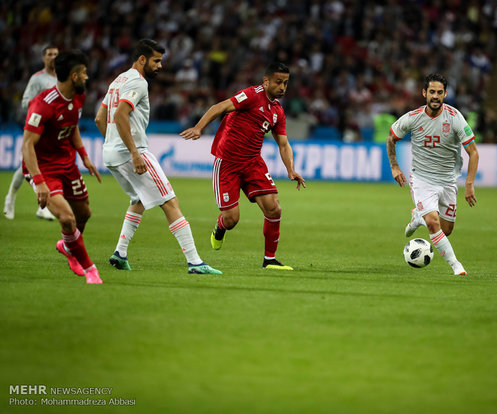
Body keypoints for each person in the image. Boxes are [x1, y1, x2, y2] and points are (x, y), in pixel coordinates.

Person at [94, 39, 221, 276]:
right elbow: (122, 114)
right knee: (170, 202)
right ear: (142, 59)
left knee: (139, 199)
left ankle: (120, 253)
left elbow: (100, 118)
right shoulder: (137, 82)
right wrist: (132, 152)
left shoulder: (117, 80)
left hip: (110, 153)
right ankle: (195, 262)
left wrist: (113, 143)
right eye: (156, 61)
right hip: (132, 152)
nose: (160, 66)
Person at [180, 62, 306, 270]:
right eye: (278, 82)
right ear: (265, 82)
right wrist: (199, 128)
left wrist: (290, 170)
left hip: (253, 162)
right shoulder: (251, 95)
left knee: (274, 208)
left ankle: (269, 260)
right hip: (228, 163)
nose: (282, 87)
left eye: (285, 83)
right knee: (232, 219)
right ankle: (220, 227)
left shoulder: (277, 111)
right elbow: (218, 107)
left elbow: (283, 143)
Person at [21, 50, 103, 284]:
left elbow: (72, 124)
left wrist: (84, 155)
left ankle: (68, 246)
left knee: (83, 214)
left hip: (66, 163)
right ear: (74, 76)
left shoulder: (78, 96)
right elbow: (27, 145)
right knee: (67, 219)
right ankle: (90, 269)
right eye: (84, 73)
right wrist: (39, 182)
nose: (87, 77)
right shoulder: (42, 105)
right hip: (43, 168)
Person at [386, 73, 479, 276]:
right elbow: (391, 138)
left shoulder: (454, 118)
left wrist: (469, 184)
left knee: (445, 230)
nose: (435, 96)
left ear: (445, 94)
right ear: (424, 93)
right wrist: (394, 166)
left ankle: (418, 216)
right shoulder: (413, 118)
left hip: (448, 181)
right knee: (433, 223)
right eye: (431, 92)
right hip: (422, 179)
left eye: (439, 92)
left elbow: (473, 152)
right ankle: (456, 266)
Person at [4, 45, 59, 221]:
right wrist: (42, 111)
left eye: (56, 54)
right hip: (37, 128)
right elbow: (26, 102)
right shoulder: (37, 79)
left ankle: (42, 207)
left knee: (49, 168)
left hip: (53, 131)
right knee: (25, 166)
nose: (53, 57)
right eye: (49, 54)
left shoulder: (63, 79)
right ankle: (10, 199)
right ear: (43, 58)